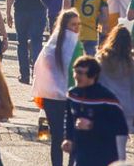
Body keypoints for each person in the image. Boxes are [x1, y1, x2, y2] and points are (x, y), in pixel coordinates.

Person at [33, 9, 79, 166]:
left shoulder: (51, 43)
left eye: (78, 24)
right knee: (72, 136)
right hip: (69, 96)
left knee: (57, 137)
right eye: (73, 24)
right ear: (66, 25)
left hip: (50, 96)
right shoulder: (73, 43)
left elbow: (39, 67)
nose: (76, 28)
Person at [64, 56, 130, 166]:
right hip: (80, 152)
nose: (76, 76)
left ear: (93, 75)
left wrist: (92, 125)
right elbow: (69, 119)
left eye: (80, 73)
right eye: (75, 72)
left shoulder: (107, 99)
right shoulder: (72, 94)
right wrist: (68, 139)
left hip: (103, 154)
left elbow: (121, 128)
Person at [96, 24, 134, 131]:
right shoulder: (132, 63)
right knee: (121, 140)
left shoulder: (102, 59)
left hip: (105, 104)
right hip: (126, 106)